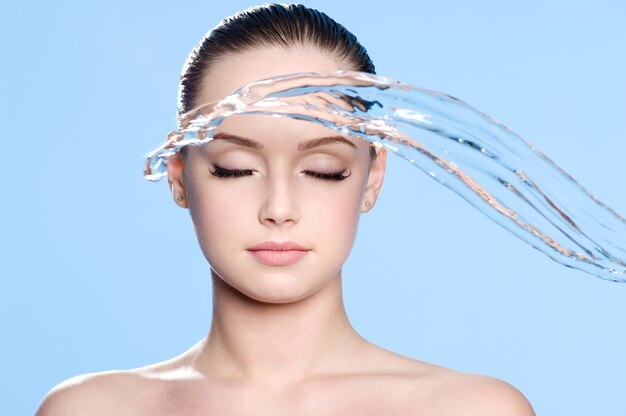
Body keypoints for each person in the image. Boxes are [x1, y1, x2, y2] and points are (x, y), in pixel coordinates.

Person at [36, 3, 535, 415]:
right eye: (234, 167)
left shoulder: (472, 409)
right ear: (178, 174)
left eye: (323, 169)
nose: (279, 209)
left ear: (372, 176)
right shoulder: (90, 409)